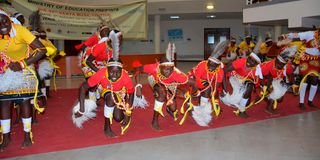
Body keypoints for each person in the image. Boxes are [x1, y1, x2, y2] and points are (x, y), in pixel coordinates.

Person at [0, 10, 47, 150]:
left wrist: (22, 64)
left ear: (10, 20)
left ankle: (27, 135)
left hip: (24, 66)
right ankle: (6, 136)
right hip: (5, 70)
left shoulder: (19, 30)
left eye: (5, 21)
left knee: (24, 100)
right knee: (4, 102)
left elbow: (42, 50)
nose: (2, 25)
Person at [134, 43, 193, 130]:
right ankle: (154, 121)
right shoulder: (153, 68)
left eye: (170, 69)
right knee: (161, 93)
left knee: (173, 107)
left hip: (169, 84)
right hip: (154, 79)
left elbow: (193, 83)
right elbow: (137, 69)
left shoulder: (177, 74)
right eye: (165, 68)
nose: (168, 71)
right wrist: (138, 86)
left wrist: (194, 96)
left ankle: (169, 109)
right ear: (159, 66)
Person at [74, 58, 134, 137]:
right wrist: (82, 109)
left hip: (120, 93)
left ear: (122, 71)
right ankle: (107, 127)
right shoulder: (101, 73)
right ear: (107, 69)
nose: (115, 75)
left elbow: (131, 93)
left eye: (118, 72)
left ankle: (117, 111)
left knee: (118, 118)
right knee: (110, 99)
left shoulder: (125, 77)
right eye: (111, 72)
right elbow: (83, 87)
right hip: (105, 90)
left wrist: (128, 115)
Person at [187, 41, 228, 126]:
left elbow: (216, 87)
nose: (209, 66)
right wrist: (198, 93)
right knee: (206, 89)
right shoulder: (203, 65)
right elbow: (196, 81)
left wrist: (215, 101)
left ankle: (202, 110)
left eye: (213, 66)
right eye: (209, 63)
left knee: (209, 90)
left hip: (206, 81)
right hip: (194, 78)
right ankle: (201, 108)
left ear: (218, 66)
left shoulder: (220, 70)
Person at [221, 49, 262, 118]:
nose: (249, 62)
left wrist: (261, 94)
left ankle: (242, 106)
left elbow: (259, 82)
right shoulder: (241, 62)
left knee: (247, 98)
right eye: (249, 58)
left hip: (246, 81)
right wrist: (225, 89)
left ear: (256, 64)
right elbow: (224, 71)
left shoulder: (257, 70)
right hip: (235, 78)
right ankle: (242, 110)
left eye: (253, 61)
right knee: (245, 94)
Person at [286, 30, 320, 109]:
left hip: (316, 60)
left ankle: (310, 101)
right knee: (305, 79)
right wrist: (287, 35)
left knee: (314, 80)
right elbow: (297, 35)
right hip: (305, 58)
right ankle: (301, 102)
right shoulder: (310, 34)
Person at [257, 46, 296, 114]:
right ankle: (268, 108)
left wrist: (293, 85)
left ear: (284, 64)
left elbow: (290, 76)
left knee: (280, 99)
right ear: (275, 60)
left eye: (281, 65)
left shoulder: (288, 67)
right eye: (277, 63)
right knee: (274, 92)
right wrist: (266, 87)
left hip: (277, 79)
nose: (278, 66)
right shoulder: (267, 66)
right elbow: (262, 78)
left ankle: (268, 97)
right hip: (265, 79)